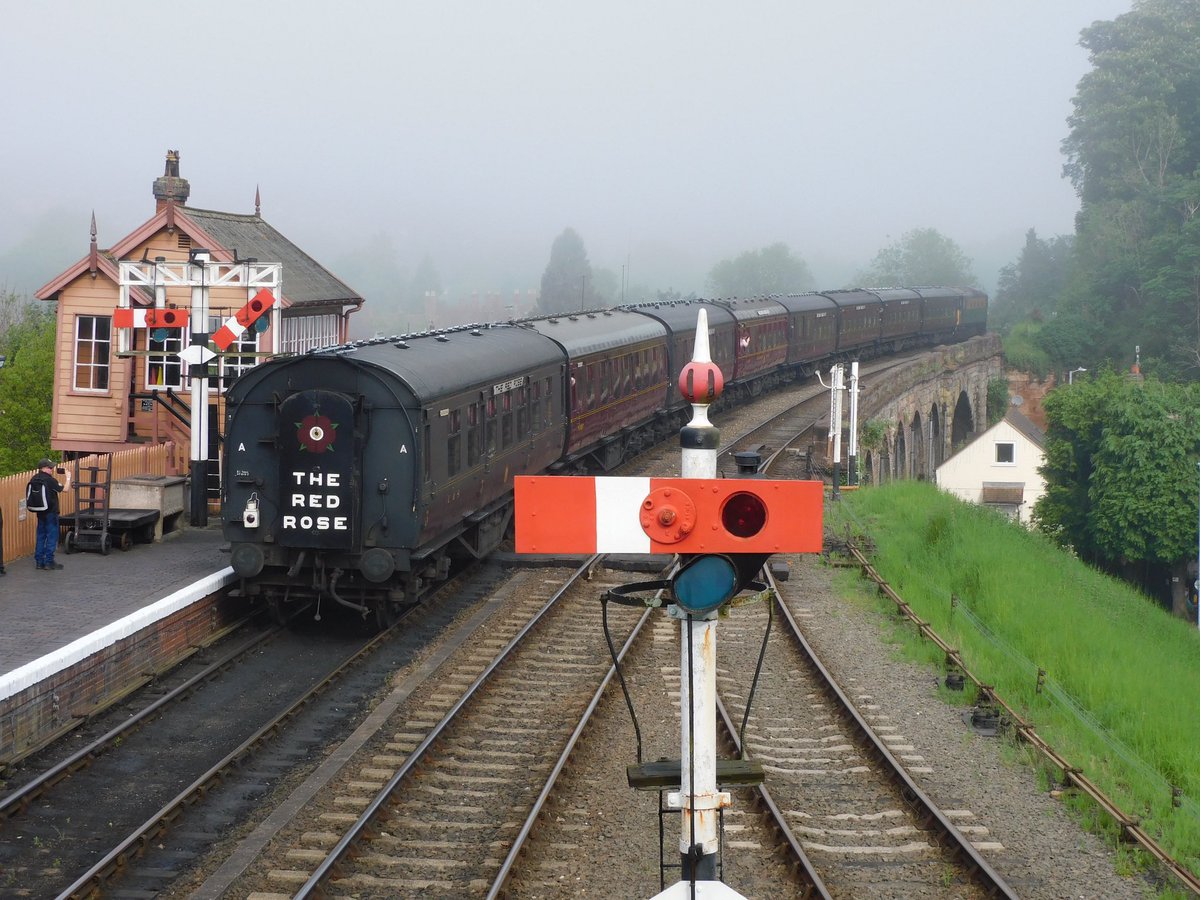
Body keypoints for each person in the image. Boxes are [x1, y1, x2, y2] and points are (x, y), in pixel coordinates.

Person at [28, 458, 70, 571]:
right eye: (50, 467)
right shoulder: (50, 480)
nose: (52, 469)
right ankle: (49, 562)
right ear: (44, 468)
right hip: (51, 512)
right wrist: (68, 477)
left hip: (40, 512)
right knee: (52, 537)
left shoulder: (34, 478)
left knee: (41, 536)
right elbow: (65, 489)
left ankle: (39, 562)